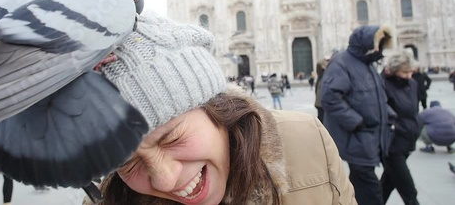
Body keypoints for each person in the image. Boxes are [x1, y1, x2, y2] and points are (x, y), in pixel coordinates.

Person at [85, 15, 357, 204]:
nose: (165, 180)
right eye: (127, 163)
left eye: (171, 138)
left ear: (215, 107)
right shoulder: (108, 197)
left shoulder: (308, 142)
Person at [321, 25, 393, 205]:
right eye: (378, 45)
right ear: (366, 43)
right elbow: (330, 97)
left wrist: (390, 116)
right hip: (357, 137)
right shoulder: (342, 63)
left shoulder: (366, 65)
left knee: (362, 185)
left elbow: (374, 98)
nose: (380, 50)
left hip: (371, 136)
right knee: (370, 188)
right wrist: (357, 122)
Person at [381, 51, 421, 205]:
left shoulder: (412, 84)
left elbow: (413, 111)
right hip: (392, 145)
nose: (409, 75)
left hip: (407, 141)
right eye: (405, 72)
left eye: (411, 71)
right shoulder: (382, 84)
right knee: (408, 189)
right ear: (394, 69)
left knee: (388, 183)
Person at [314, 58, 330, 122]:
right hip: (321, 103)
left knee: (321, 119)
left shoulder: (321, 76)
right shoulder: (325, 75)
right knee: (323, 120)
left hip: (319, 103)